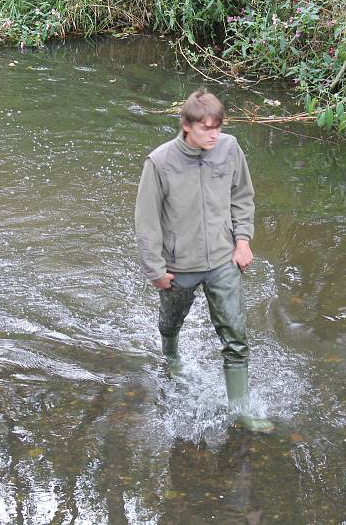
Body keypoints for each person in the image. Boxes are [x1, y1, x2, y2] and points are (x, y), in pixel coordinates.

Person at [135, 88, 273, 433]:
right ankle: (170, 354)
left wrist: (243, 241)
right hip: (178, 267)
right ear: (186, 126)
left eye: (217, 127)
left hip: (224, 261)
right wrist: (155, 270)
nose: (213, 135)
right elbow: (146, 221)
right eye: (205, 128)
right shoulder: (160, 162)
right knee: (171, 322)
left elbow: (243, 196)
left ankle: (240, 412)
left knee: (236, 336)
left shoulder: (229, 149)